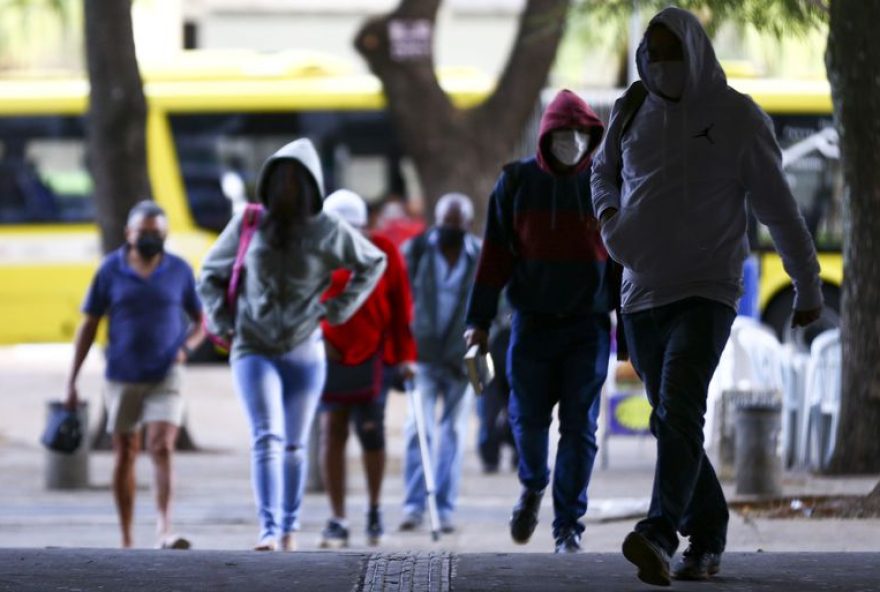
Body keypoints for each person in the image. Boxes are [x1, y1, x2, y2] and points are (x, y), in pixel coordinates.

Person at [591, 7, 823, 585]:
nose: (658, 63)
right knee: (672, 419)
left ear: (694, 51)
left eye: (669, 52)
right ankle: (710, 531)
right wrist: (609, 217)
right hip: (640, 292)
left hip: (707, 290)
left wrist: (808, 285)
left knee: (681, 407)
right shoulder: (629, 109)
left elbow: (780, 212)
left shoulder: (737, 118)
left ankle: (659, 533)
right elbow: (602, 172)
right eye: (651, 51)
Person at [198, 139, 387, 552]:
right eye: (278, 178)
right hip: (252, 345)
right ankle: (267, 530)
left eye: (294, 180)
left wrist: (337, 309)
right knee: (267, 436)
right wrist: (222, 322)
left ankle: (289, 528)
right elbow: (209, 273)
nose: (285, 188)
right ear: (266, 182)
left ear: (311, 186)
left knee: (296, 444)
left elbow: (372, 262)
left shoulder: (327, 229)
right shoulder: (249, 222)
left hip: (305, 348)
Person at [465, 89, 611, 553]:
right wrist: (479, 322)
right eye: (562, 135)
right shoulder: (515, 185)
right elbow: (493, 259)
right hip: (531, 326)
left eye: (579, 135)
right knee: (526, 420)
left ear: (591, 137)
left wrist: (630, 334)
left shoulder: (605, 185)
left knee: (580, 429)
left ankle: (567, 527)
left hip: (587, 329)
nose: (571, 142)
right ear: (545, 138)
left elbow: (627, 262)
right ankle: (532, 487)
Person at [64, 200, 204, 549]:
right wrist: (73, 380)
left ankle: (163, 530)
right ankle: (126, 536)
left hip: (166, 373)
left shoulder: (180, 270)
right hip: (122, 375)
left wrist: (186, 348)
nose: (151, 239)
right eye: (144, 233)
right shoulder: (110, 270)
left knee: (162, 446)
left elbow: (203, 319)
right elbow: (89, 324)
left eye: (157, 233)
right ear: (129, 233)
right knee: (125, 451)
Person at [317, 189, 417, 548]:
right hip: (329, 354)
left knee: (371, 431)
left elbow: (400, 304)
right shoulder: (318, 253)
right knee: (333, 431)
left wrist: (406, 356)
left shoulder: (384, 252)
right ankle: (337, 517)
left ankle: (374, 510)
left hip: (375, 353)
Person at [399, 192, 481, 534]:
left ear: (467, 225)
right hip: (423, 356)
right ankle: (414, 506)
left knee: (453, 432)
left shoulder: (479, 256)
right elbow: (400, 299)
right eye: (445, 223)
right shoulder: (415, 251)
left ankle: (444, 507)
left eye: (457, 224)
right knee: (418, 429)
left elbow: (497, 302)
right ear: (436, 220)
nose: (450, 230)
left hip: (461, 362)